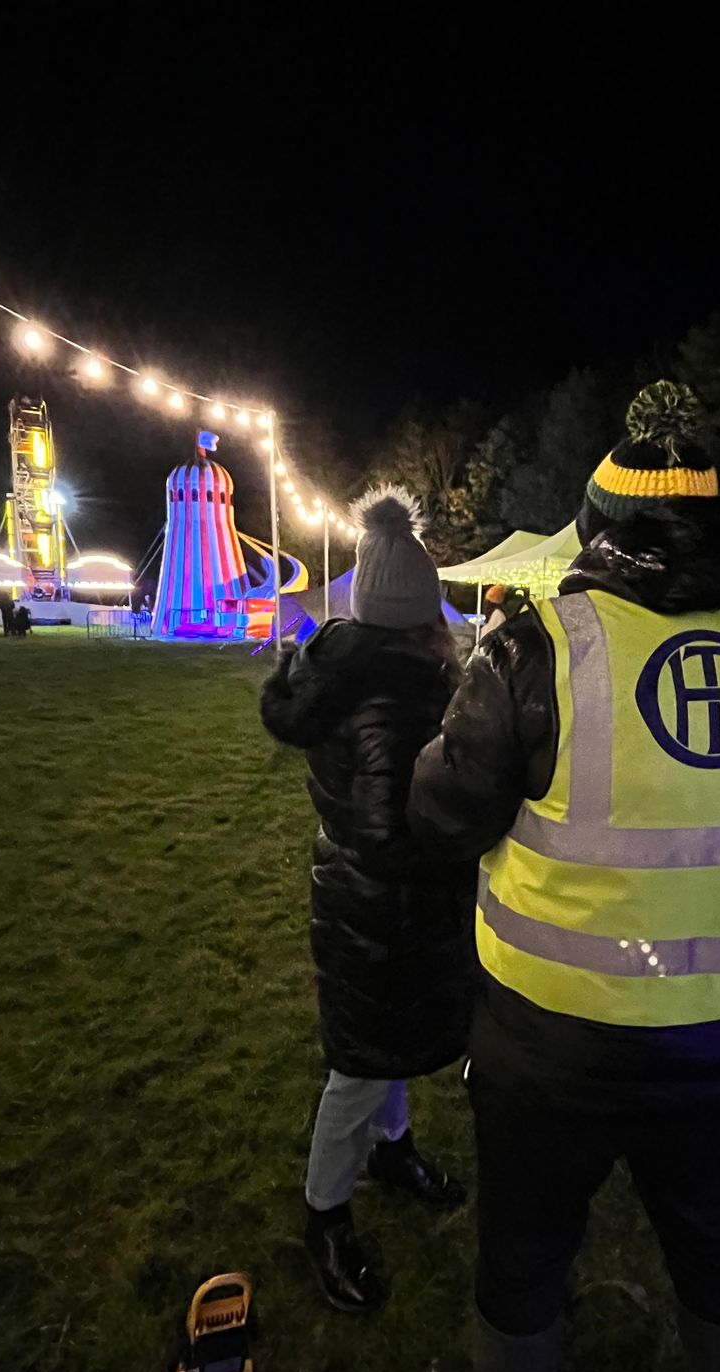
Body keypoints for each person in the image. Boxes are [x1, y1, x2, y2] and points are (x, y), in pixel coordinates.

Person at [408, 381, 720, 1372]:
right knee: (718, 1238)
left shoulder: (538, 648)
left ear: (596, 527)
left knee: (524, 1247)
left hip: (550, 1039)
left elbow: (442, 815)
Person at [259, 485, 477, 1316]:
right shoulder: (393, 695)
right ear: (416, 614)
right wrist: (466, 848)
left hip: (359, 896)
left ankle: (392, 1150)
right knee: (357, 1068)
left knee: (382, 1045)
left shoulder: (345, 668)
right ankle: (325, 1215)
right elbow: (391, 834)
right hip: (380, 907)